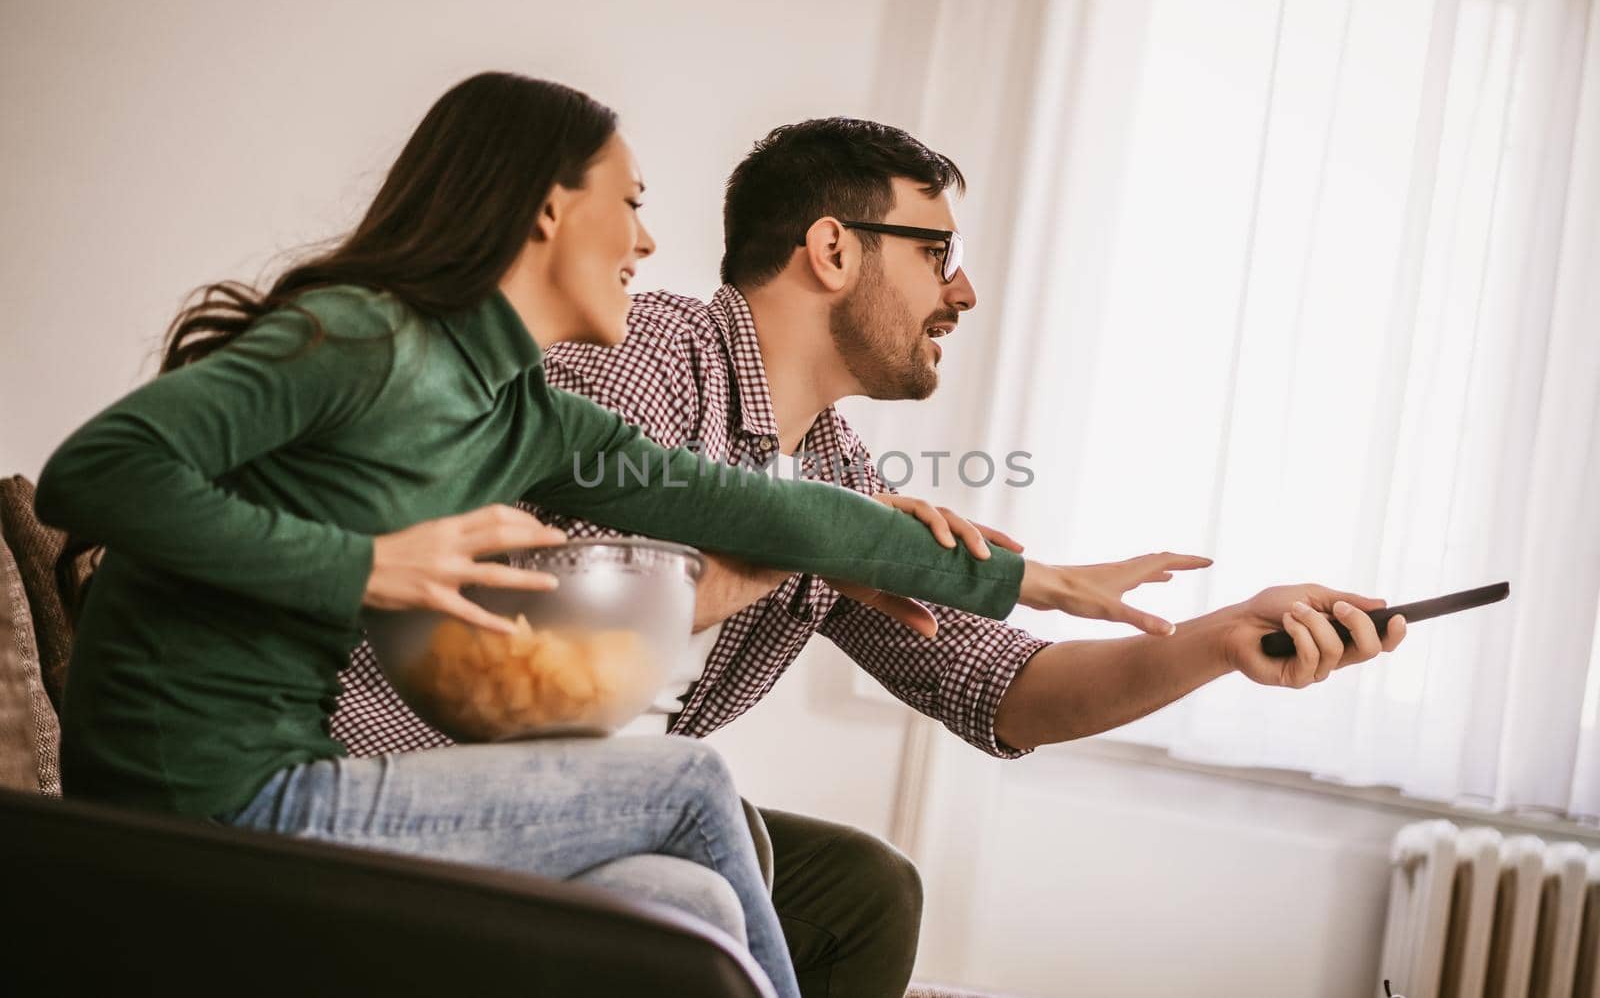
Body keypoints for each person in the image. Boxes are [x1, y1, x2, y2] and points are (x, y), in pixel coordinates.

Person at [33, 75, 1209, 998]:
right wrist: (368, 564)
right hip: (214, 814)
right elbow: (94, 473)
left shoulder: (519, 409)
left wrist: (1026, 576)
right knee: (687, 783)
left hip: (300, 791)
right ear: (550, 205)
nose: (648, 240)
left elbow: (767, 511)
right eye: (631, 200)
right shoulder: (363, 338)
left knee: (676, 897)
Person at [334, 116, 1410, 998]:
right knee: (710, 853)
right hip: (438, 778)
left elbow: (1000, 685)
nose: (965, 291)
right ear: (833, 248)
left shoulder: (837, 468)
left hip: (602, 786)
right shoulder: (652, 358)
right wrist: (795, 554)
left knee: (862, 888)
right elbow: (533, 651)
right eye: (935, 251)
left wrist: (1218, 643)